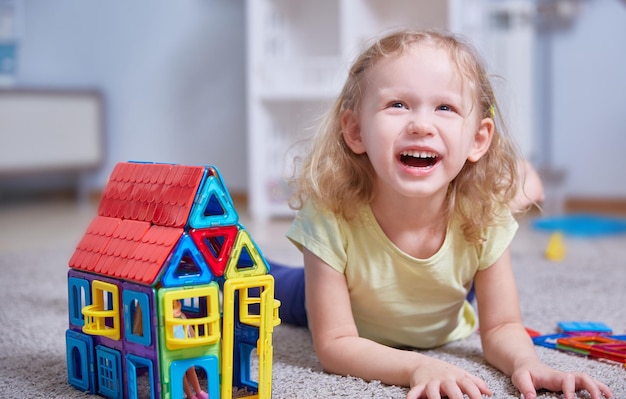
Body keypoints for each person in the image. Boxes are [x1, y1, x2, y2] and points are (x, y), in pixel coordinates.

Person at [272, 29, 611, 399]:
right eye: (397, 105)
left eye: (445, 107)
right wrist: (419, 365)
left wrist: (528, 365)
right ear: (355, 131)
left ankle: (518, 180)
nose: (421, 124)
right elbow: (335, 344)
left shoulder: (484, 215)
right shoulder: (330, 213)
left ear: (478, 140)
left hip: (446, 300)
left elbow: (501, 327)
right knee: (260, 280)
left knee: (467, 254)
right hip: (323, 293)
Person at [172, 299, 209, 399]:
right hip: (174, 350)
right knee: (182, 373)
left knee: (191, 368)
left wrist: (194, 342)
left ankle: (198, 391)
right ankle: (189, 395)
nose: (176, 310)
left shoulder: (182, 317)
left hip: (185, 348)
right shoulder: (167, 322)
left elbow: (190, 331)